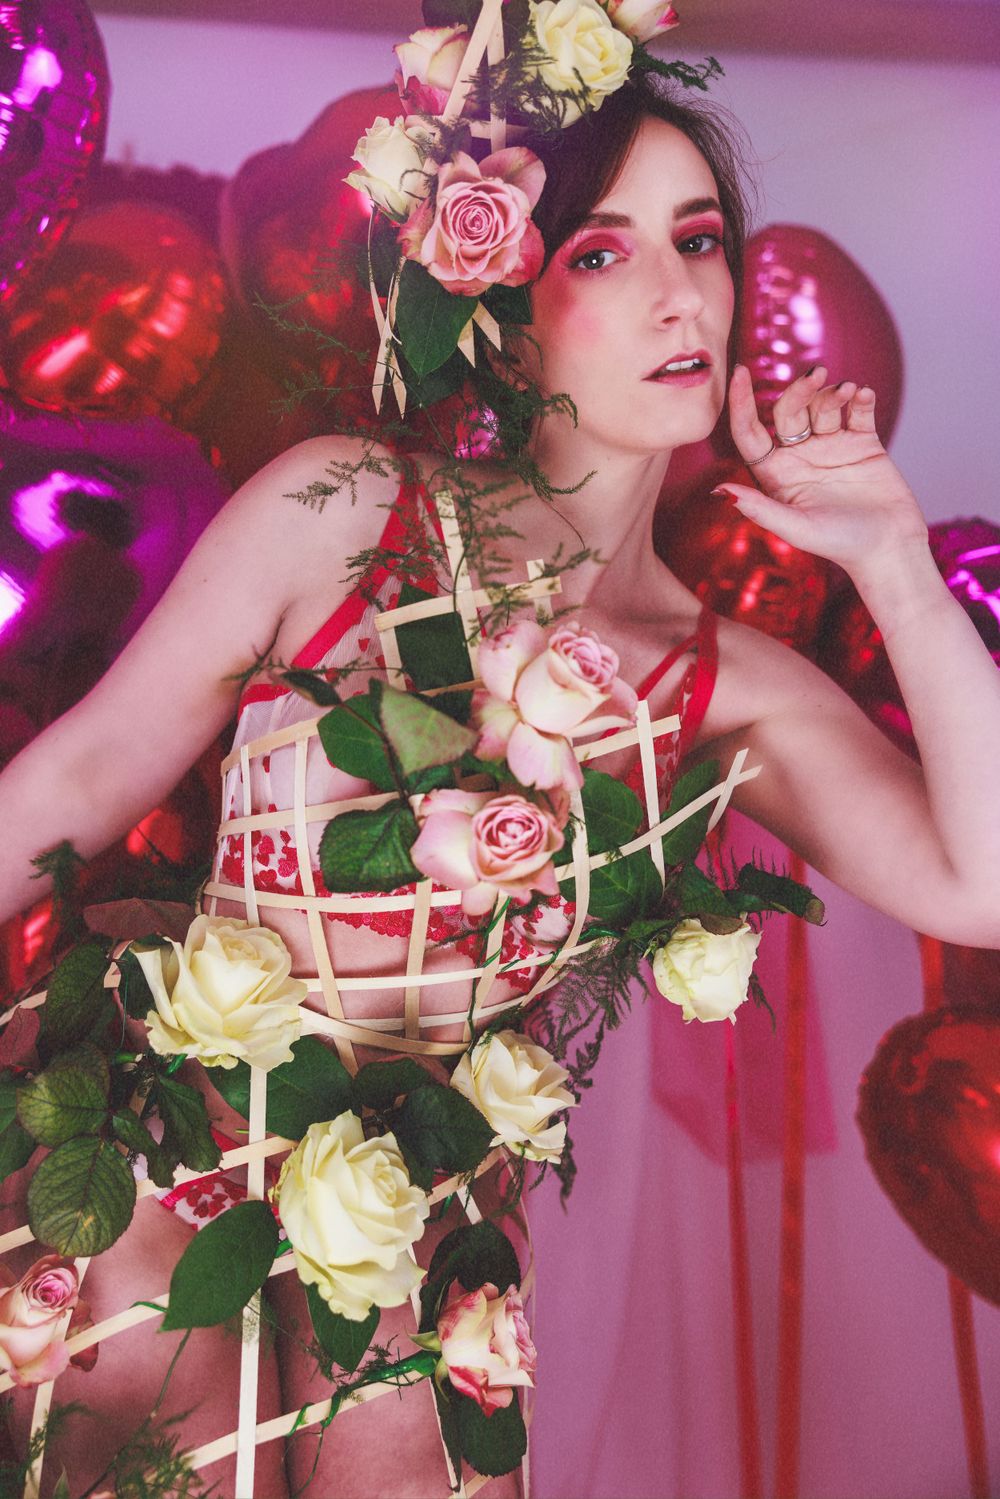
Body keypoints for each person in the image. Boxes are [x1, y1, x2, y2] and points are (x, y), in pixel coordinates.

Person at [1, 68, 999, 1499]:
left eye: (702, 238)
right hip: (158, 1159)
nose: (681, 297)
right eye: (605, 251)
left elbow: (984, 878)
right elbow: (75, 782)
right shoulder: (344, 508)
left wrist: (896, 560)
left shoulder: (723, 684)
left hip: (413, 1228)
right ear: (512, 329)